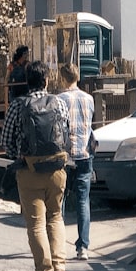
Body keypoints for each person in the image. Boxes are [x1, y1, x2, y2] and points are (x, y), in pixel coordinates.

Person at [1, 60, 72, 271]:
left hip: (29, 170)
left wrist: (18, 157)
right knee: (55, 217)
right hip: (57, 169)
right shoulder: (59, 103)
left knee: (36, 225)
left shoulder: (18, 106)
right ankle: (60, 265)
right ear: (47, 80)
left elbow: (6, 141)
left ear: (27, 82)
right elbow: (66, 133)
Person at [58, 62, 95, 260]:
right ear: (77, 77)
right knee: (83, 200)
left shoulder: (59, 99)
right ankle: (83, 247)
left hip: (65, 155)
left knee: (60, 199)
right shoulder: (89, 99)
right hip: (85, 153)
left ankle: (59, 243)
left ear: (63, 78)